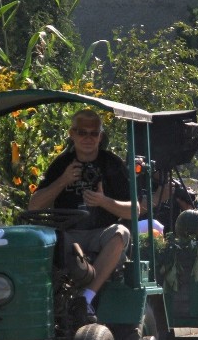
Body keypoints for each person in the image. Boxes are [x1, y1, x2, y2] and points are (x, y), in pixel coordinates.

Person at [28, 109, 133, 324]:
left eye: (93, 133)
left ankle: (85, 299)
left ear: (100, 137)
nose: (87, 138)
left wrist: (104, 202)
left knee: (120, 233)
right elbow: (34, 206)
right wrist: (63, 180)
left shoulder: (112, 164)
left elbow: (135, 209)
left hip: (101, 234)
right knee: (42, 241)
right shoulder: (61, 164)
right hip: (69, 235)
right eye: (82, 132)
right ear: (72, 134)